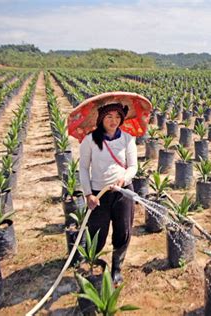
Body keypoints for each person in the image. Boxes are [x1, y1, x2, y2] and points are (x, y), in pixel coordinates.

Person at [79, 102, 137, 285]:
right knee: (97, 232)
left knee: (123, 231)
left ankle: (117, 268)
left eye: (118, 117)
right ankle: (93, 264)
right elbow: (82, 168)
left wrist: (124, 179)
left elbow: (133, 166)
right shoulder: (90, 139)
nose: (114, 121)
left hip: (122, 192)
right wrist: (88, 194)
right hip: (99, 194)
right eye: (109, 117)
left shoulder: (128, 138)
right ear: (101, 118)